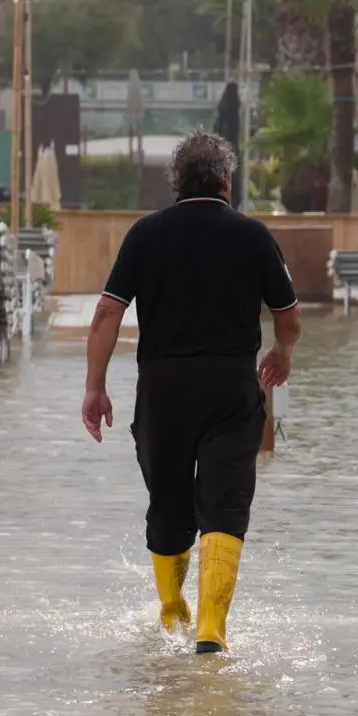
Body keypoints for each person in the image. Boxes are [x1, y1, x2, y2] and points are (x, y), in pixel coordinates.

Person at [81, 129, 301, 654]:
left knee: (169, 503)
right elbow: (289, 316)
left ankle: (171, 613)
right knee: (224, 505)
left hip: (163, 391)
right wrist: (281, 354)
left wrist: (95, 387)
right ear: (228, 179)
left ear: (177, 181)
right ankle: (211, 630)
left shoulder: (145, 234)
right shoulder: (253, 235)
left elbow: (108, 312)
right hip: (229, 387)